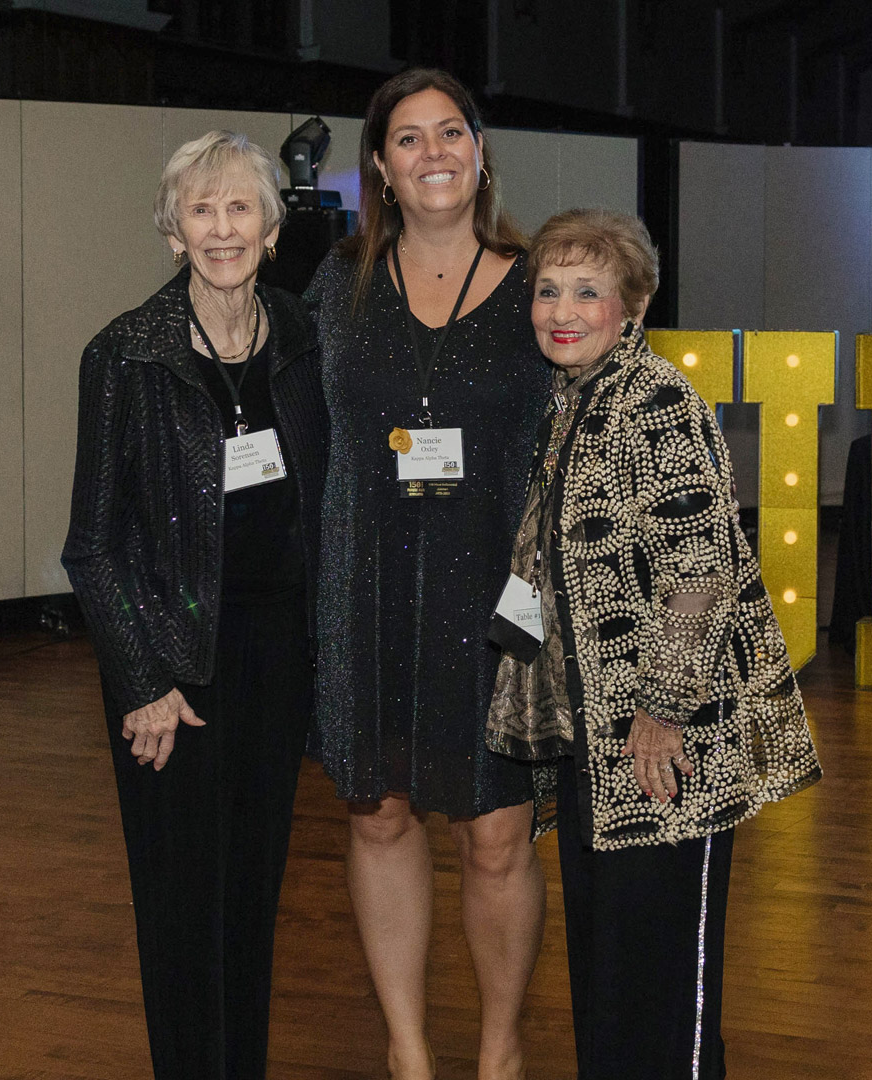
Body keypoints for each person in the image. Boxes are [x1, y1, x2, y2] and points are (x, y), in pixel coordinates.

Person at [487, 209, 823, 1080]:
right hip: (597, 748)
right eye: (549, 289)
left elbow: (699, 570)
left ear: (633, 305)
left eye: (588, 290)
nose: (562, 308)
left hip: (667, 748)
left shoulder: (657, 401)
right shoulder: (572, 402)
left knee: (668, 983)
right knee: (612, 967)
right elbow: (543, 565)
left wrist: (662, 714)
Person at [61, 130, 326, 1080]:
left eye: (239, 208)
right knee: (182, 909)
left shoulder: (302, 337)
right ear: (174, 232)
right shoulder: (124, 355)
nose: (222, 229)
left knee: (252, 902)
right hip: (173, 668)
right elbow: (91, 546)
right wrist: (142, 683)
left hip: (276, 659)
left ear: (271, 225)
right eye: (201, 211)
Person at [304, 68, 548, 1080]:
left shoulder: (544, 282)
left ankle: (499, 1049)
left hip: (503, 595)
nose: (434, 153)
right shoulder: (336, 286)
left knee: (496, 835)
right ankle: (408, 1050)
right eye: (409, 140)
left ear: (481, 151)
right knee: (384, 814)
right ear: (380, 168)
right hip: (367, 591)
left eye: (453, 133)